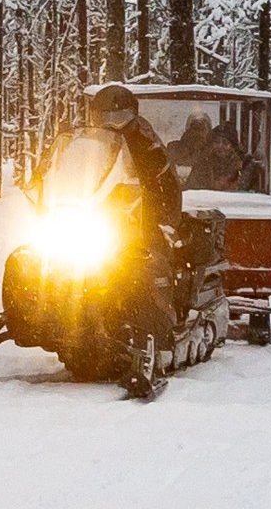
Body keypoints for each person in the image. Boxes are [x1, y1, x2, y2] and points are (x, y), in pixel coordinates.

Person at [85, 84, 183, 353]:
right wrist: (45, 177)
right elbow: (69, 165)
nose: (113, 124)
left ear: (133, 116)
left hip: (142, 218)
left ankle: (156, 326)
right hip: (96, 219)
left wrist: (163, 219)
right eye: (106, 118)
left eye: (120, 117)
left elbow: (167, 181)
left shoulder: (146, 142)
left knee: (144, 265)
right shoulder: (89, 142)